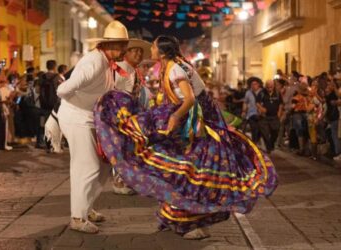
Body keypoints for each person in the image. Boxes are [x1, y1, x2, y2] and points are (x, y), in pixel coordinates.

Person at [94, 35, 277, 240]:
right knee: (183, 172)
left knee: (189, 173)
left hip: (196, 128)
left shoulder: (175, 69)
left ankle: (186, 221)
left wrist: (173, 117)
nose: (150, 51)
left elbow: (189, 99)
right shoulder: (170, 66)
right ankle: (182, 219)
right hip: (190, 126)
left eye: (153, 47)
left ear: (162, 52)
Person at [56, 21, 129, 233]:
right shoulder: (94, 63)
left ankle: (86, 208)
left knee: (104, 166)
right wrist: (68, 106)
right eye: (120, 45)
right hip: (76, 117)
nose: (124, 49)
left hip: (90, 117)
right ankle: (77, 218)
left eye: (124, 44)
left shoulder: (108, 63)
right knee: (86, 167)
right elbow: (63, 89)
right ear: (107, 46)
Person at [112, 38, 151, 195]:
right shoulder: (120, 68)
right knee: (121, 150)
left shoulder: (133, 70)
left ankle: (126, 181)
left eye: (140, 51)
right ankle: (119, 182)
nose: (138, 53)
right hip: (120, 116)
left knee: (129, 150)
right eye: (134, 50)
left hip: (130, 117)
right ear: (125, 53)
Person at [256, 80, 284, 153]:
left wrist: (279, 112)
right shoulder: (262, 93)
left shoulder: (277, 93)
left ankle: (271, 144)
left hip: (274, 116)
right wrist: (261, 108)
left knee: (276, 131)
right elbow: (257, 102)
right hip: (264, 117)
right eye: (268, 86)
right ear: (266, 86)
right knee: (265, 133)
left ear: (273, 86)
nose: (269, 88)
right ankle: (269, 147)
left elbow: (281, 103)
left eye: (271, 86)